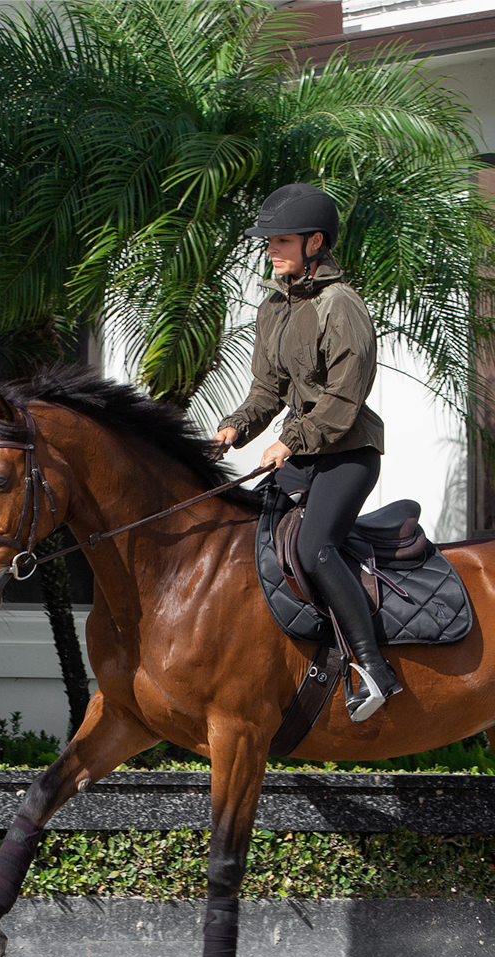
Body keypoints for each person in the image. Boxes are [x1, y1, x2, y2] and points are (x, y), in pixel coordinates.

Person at [214, 182, 401, 722]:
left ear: (315, 242)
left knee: (316, 544)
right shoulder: (274, 306)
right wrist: (234, 427)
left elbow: (345, 399)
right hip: (304, 450)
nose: (271, 250)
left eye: (281, 240)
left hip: (348, 452)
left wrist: (290, 441)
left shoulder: (341, 306)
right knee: (253, 535)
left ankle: (373, 671)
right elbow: (266, 391)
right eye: (268, 241)